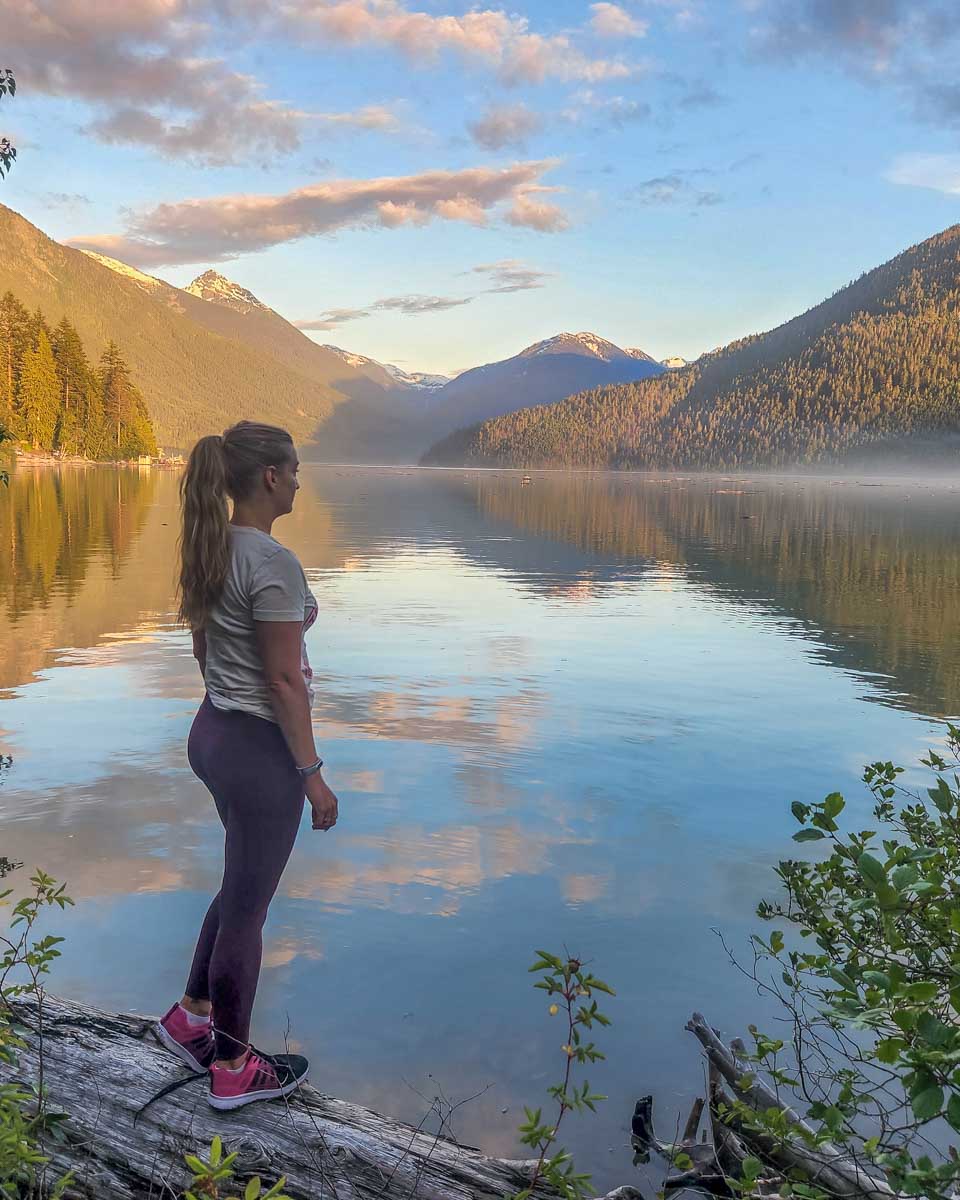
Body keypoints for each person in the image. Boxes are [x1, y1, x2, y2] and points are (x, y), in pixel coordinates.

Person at [154, 421, 338, 1110]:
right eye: (292, 467)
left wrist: (227, 704)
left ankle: (189, 1017)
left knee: (238, 885)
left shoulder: (211, 545)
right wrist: (311, 773)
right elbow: (286, 684)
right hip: (259, 750)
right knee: (248, 912)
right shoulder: (270, 562)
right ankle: (233, 1069)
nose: (297, 478)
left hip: (212, 733)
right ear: (268, 477)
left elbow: (205, 652)